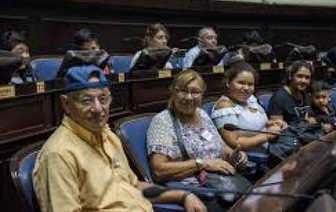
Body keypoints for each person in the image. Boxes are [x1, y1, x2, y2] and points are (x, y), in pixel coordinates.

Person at [32, 64, 206, 212]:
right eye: (86, 101)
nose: (99, 109)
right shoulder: (59, 155)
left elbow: (133, 186)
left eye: (103, 99)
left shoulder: (108, 136)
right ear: (67, 104)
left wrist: (184, 195)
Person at [147, 69, 247, 186]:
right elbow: (158, 170)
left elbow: (220, 146)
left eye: (195, 92)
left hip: (221, 180)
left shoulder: (202, 114)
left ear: (202, 94)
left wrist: (234, 155)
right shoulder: (162, 122)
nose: (189, 97)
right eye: (183, 91)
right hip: (196, 188)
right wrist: (203, 164)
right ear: (173, 92)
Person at [211, 62, 286, 151]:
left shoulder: (250, 99)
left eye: (250, 84)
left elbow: (253, 123)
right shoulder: (224, 107)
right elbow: (235, 143)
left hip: (273, 148)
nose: (246, 88)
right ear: (228, 83)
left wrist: (271, 123)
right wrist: (266, 135)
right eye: (241, 82)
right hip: (254, 159)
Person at [267, 60, 313, 126]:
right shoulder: (279, 98)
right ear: (290, 76)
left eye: (307, 77)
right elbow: (276, 129)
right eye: (299, 76)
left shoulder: (305, 93)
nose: (303, 80)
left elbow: (310, 117)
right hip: (290, 135)